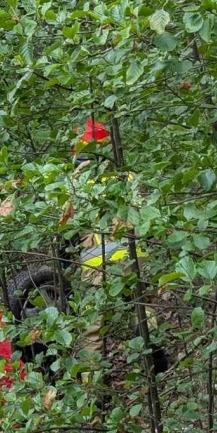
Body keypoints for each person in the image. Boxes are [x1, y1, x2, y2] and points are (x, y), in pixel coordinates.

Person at [70, 119, 167, 374]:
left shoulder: (78, 183)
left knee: (93, 328)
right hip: (132, 258)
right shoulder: (128, 177)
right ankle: (153, 358)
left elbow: (64, 222)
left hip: (96, 265)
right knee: (142, 308)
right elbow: (145, 215)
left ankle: (93, 391)